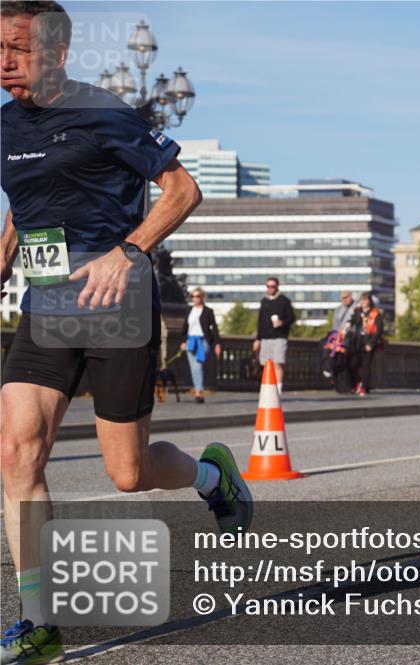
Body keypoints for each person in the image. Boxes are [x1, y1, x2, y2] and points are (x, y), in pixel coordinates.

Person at [0, 4, 251, 663]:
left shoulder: (104, 112)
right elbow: (23, 206)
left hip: (118, 308)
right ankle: (39, 622)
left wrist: (129, 251)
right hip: (47, 308)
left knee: (129, 472)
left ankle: (211, 476)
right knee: (17, 452)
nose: (5, 62)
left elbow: (182, 189)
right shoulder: (5, 126)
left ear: (57, 53)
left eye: (18, 49)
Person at [252, 276, 294, 394]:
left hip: (279, 337)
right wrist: (257, 339)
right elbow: (260, 322)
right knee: (266, 364)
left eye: (272, 286)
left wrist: (282, 323)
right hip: (265, 338)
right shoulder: (264, 301)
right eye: (268, 286)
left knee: (277, 363)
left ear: (277, 287)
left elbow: (291, 318)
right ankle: (268, 388)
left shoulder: (284, 301)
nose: (270, 288)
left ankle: (278, 389)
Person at [180, 287, 222, 404]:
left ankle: (199, 391)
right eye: (192, 296)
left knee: (198, 365)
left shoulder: (208, 311)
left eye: (197, 296)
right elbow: (184, 328)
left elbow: (214, 328)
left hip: (203, 341)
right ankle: (198, 390)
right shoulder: (189, 310)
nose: (195, 298)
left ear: (202, 297)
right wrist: (183, 341)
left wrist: (217, 344)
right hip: (191, 341)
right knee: (193, 367)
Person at [350, 291, 383, 396]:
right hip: (357, 342)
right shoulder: (357, 311)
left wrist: (371, 344)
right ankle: (358, 382)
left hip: (368, 342)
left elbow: (378, 331)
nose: (363, 302)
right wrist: (347, 324)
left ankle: (364, 387)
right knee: (353, 364)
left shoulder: (375, 314)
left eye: (365, 300)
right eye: (361, 300)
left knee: (366, 366)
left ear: (369, 301)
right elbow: (352, 320)